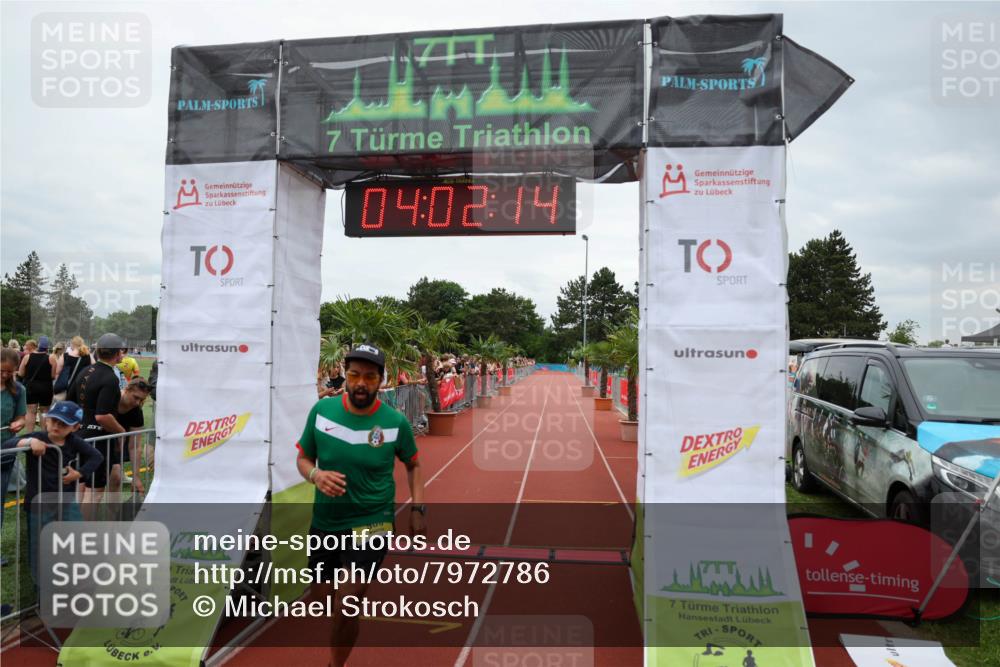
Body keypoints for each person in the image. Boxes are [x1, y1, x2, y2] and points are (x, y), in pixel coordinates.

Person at [296, 343, 425, 667]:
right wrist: (315, 475)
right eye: (354, 375)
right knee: (322, 599)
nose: (361, 383)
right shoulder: (322, 411)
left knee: (347, 603)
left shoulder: (395, 422)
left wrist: (418, 509)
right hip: (326, 520)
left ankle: (335, 665)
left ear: (381, 380)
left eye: (369, 376)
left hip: (372, 520)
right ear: (345, 375)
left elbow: (413, 464)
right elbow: (303, 458)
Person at [2, 400, 103, 579]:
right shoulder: (38, 438)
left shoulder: (74, 441)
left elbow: (96, 457)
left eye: (64, 424)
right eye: (54, 421)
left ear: (75, 427)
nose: (57, 426)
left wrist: (78, 474)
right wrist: (29, 440)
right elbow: (7, 445)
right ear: (46, 420)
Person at [67, 332, 127, 514]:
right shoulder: (110, 378)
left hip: (79, 436)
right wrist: (121, 431)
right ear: (118, 354)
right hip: (98, 441)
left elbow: (70, 403)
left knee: (82, 486)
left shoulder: (84, 371)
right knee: (95, 492)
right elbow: (102, 416)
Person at [1, 348, 28, 570]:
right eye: (1, 371)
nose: (5, 375)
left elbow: (21, 417)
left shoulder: (18, 390)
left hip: (4, 452)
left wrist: (19, 423)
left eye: (9, 372)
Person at [114, 377, 153, 495]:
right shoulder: (110, 400)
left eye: (142, 400)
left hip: (118, 446)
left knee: (115, 479)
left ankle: (113, 513)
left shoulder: (136, 411)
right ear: (126, 389)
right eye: (135, 397)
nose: (137, 403)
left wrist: (136, 477)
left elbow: (135, 446)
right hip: (98, 443)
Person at [18, 337, 56, 431]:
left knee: (31, 411)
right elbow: (53, 375)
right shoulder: (51, 358)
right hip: (46, 388)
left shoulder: (28, 357)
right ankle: (43, 435)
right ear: (47, 348)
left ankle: (30, 435)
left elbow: (21, 373)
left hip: (31, 387)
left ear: (37, 346)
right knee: (44, 411)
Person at [54, 336, 92, 403]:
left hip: (67, 389)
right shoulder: (88, 357)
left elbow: (57, 372)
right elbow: (94, 368)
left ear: (72, 344)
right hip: (82, 389)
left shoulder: (65, 356)